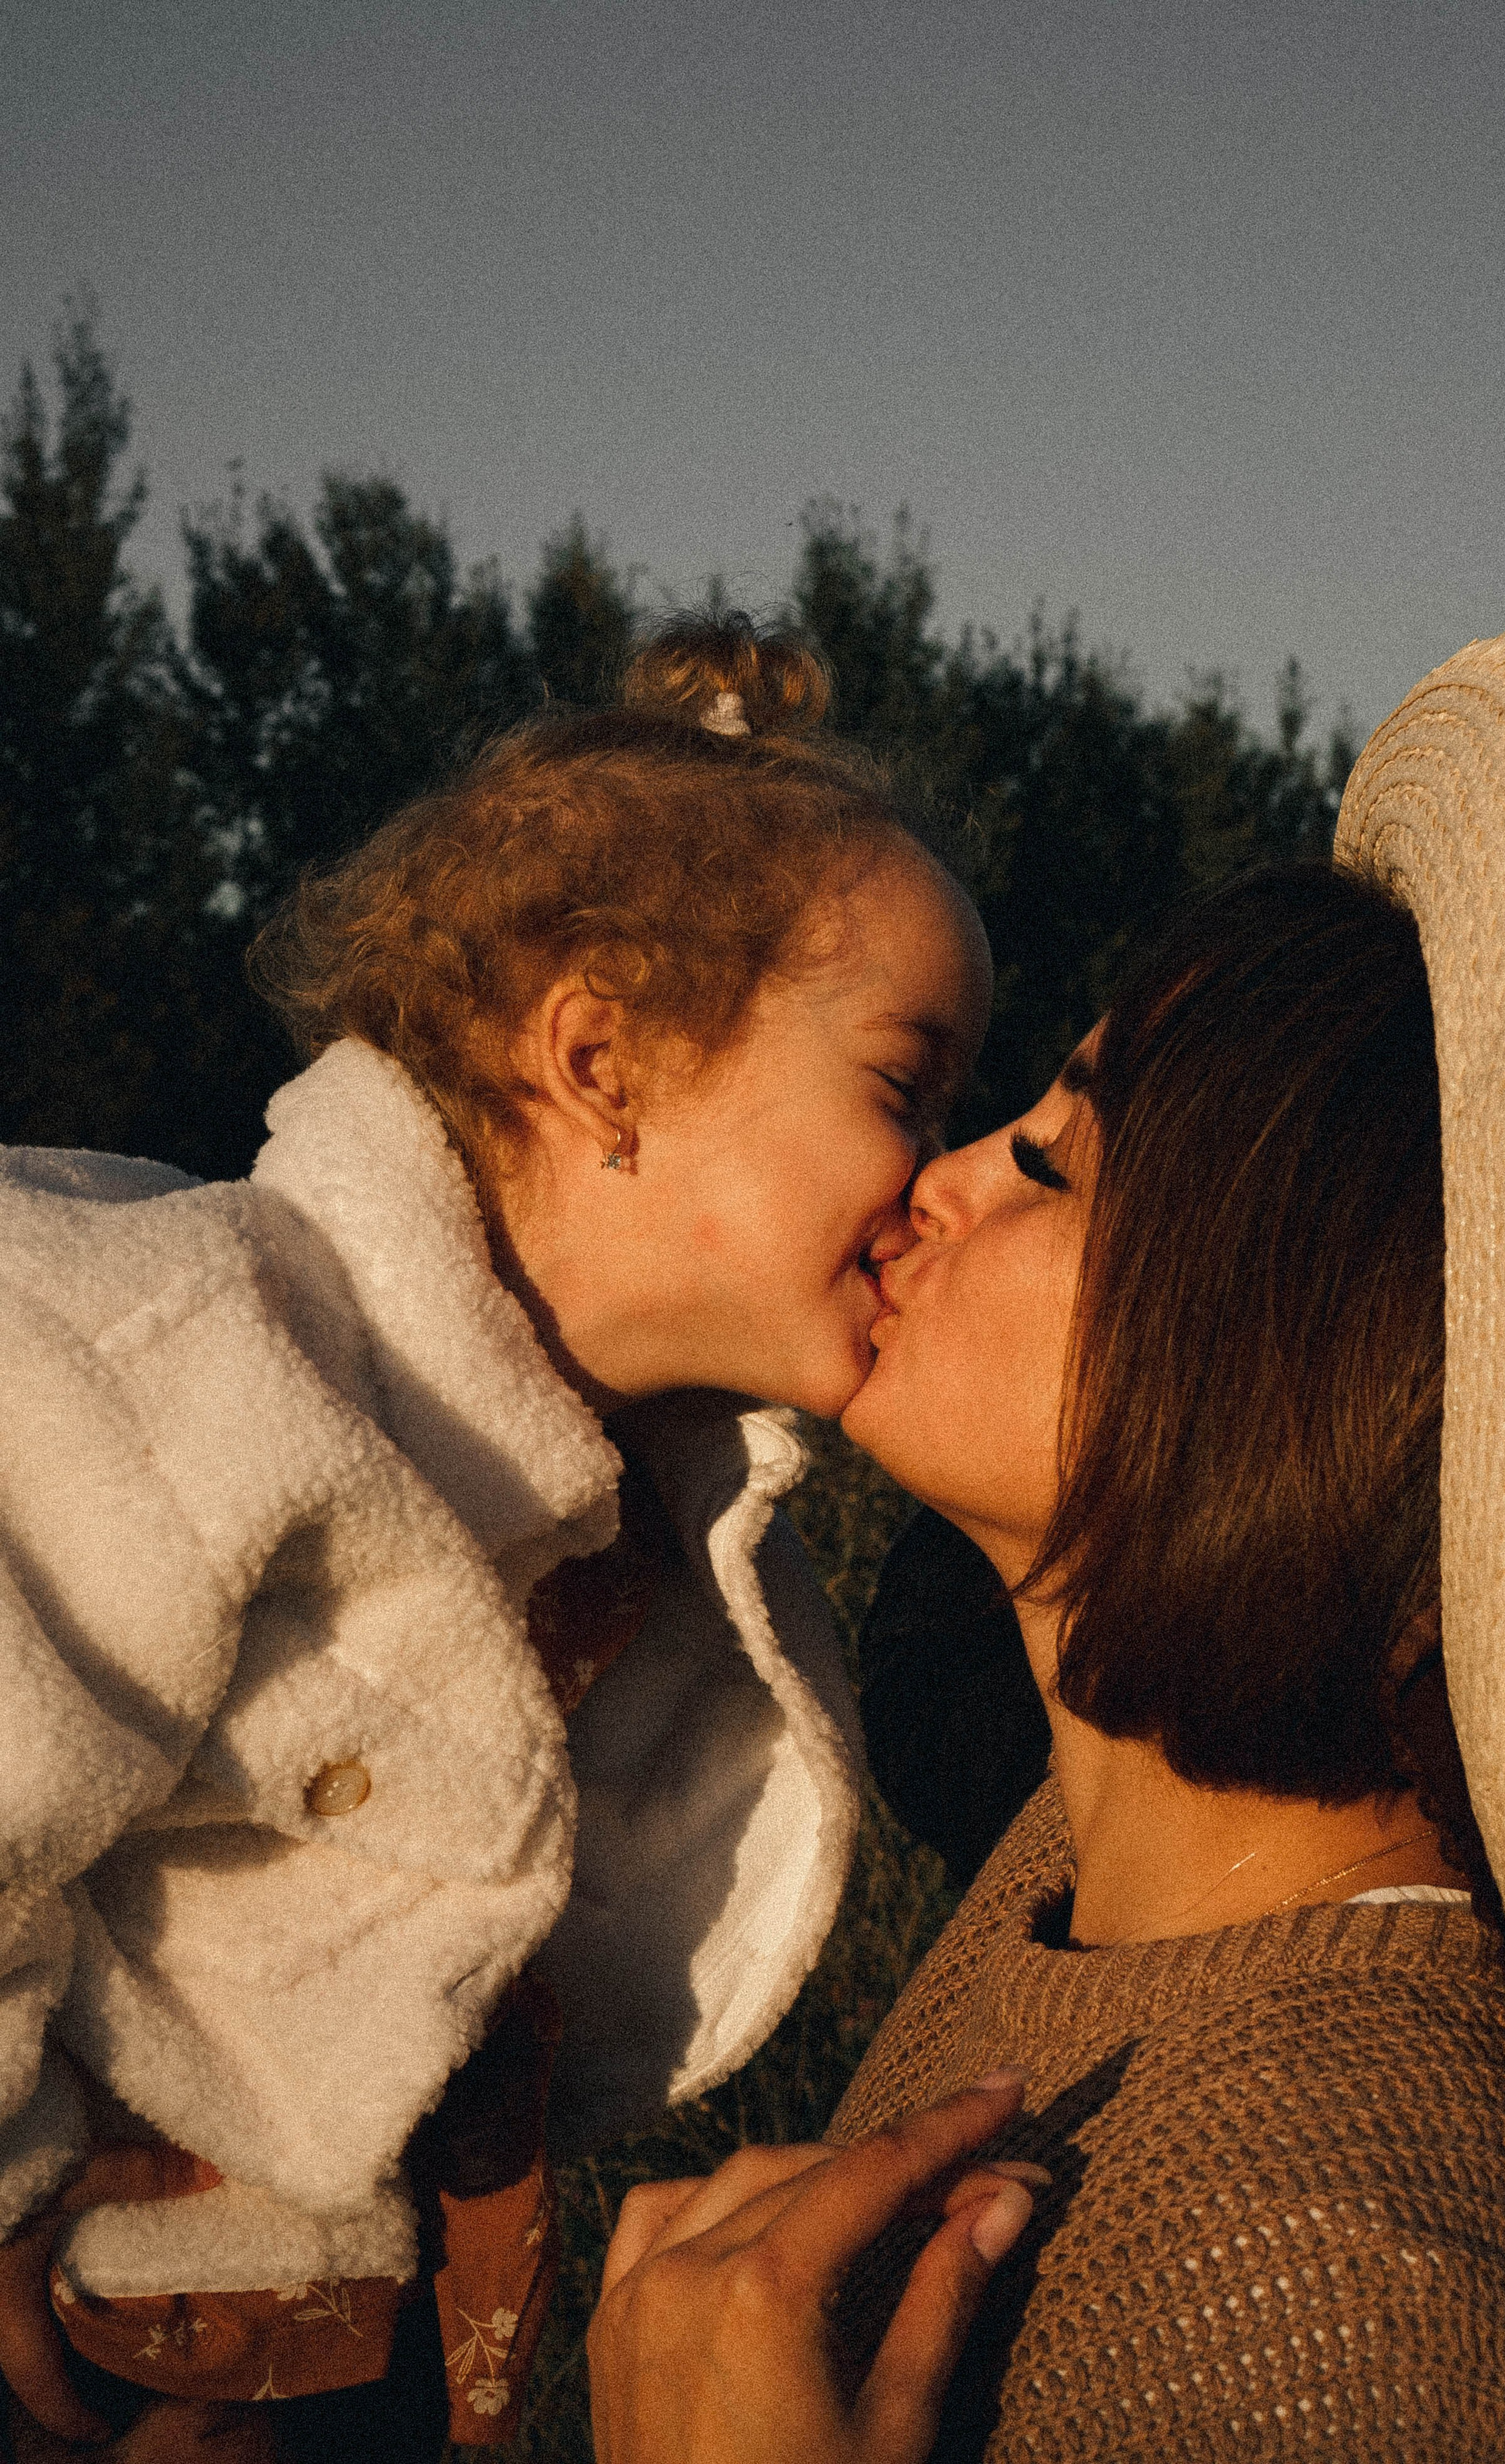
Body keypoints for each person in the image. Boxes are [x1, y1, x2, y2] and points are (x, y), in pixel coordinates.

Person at [587, 628, 1505, 2460]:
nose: (938, 1178)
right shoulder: (1085, 1858)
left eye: (1060, 1164)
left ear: (1290, 1374)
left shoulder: (1369, 2322)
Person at [0, 614, 993, 2461]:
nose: (941, 1174)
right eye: (902, 1088)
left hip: (309, 2356)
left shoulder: (647, 1517)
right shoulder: (187, 1356)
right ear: (601, 1058)